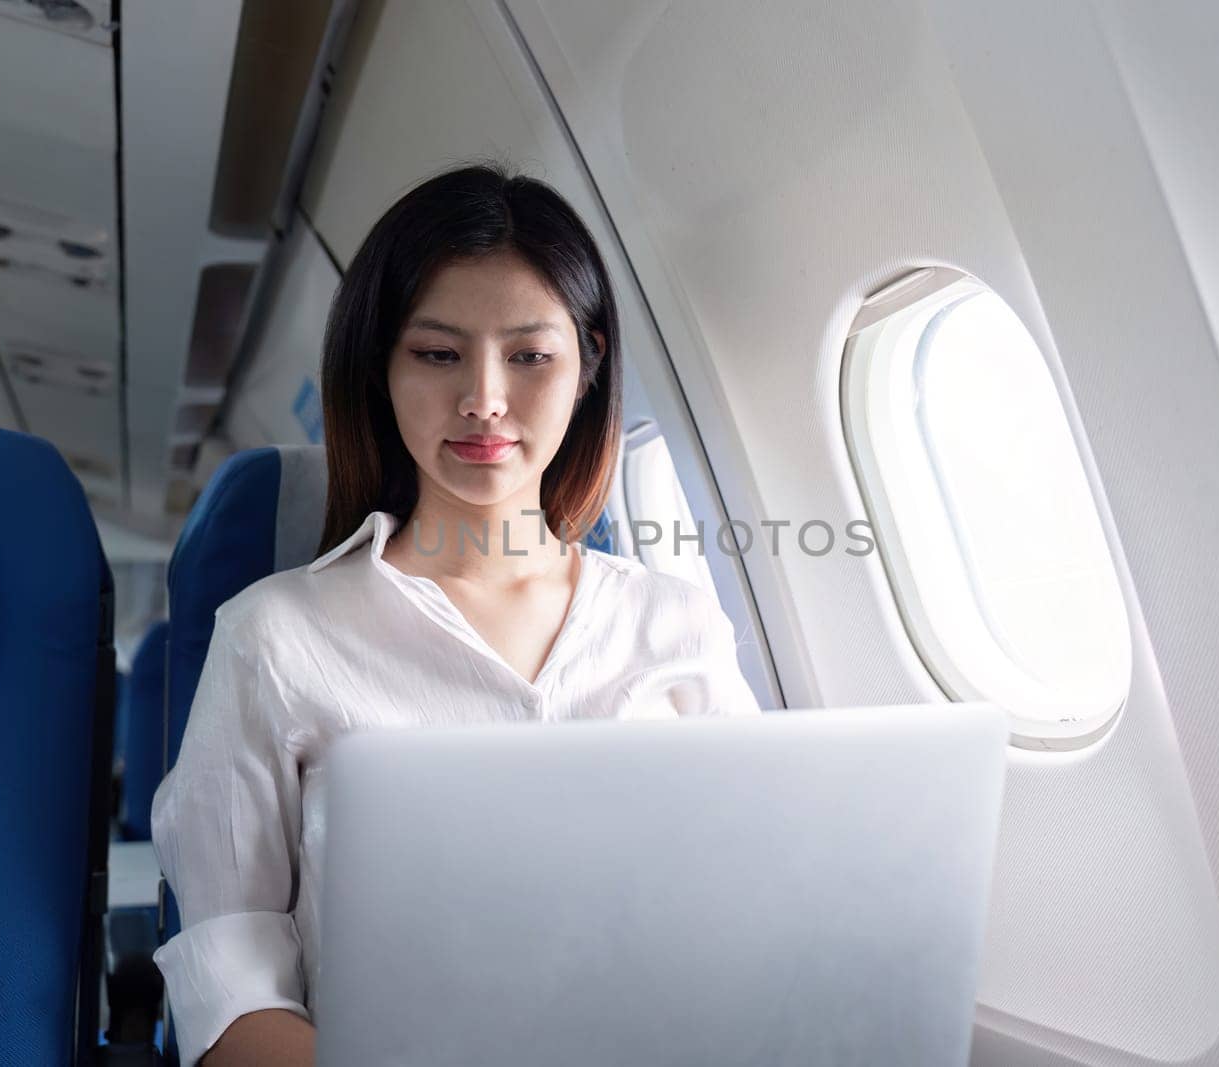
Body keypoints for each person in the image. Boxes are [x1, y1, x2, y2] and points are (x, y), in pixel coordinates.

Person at [149, 161, 763, 1067]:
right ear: (381, 368)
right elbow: (230, 989)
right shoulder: (274, 637)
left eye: (529, 355)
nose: (483, 398)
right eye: (438, 354)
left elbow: (758, 913)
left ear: (588, 362)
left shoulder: (677, 627)